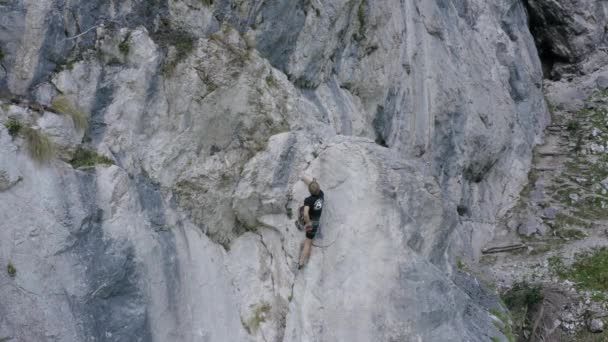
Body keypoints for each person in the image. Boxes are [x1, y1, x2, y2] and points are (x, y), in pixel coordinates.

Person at [295, 175, 324, 269]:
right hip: (316, 221)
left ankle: (301, 262)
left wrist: (308, 223)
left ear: (309, 191)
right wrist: (304, 178)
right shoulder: (321, 194)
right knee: (309, 241)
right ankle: (301, 263)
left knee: (308, 242)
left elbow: (306, 214)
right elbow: (312, 185)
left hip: (310, 222)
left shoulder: (308, 200)